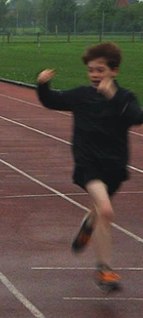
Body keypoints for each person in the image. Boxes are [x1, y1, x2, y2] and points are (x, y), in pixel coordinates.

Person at [36, 42, 143, 293]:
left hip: (115, 166)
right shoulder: (81, 95)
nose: (95, 75)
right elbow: (52, 101)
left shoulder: (124, 98)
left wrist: (112, 96)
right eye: (91, 70)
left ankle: (88, 225)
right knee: (106, 210)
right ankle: (104, 269)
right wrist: (42, 85)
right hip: (88, 164)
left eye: (100, 70)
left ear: (114, 71)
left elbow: (136, 117)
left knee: (99, 211)